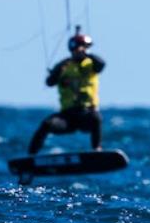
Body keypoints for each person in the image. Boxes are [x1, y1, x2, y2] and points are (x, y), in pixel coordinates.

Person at [28, 27, 106, 155]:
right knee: (47, 124)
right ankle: (31, 156)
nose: (79, 51)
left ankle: (97, 150)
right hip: (67, 117)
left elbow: (102, 64)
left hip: (86, 114)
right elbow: (49, 82)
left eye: (83, 47)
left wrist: (86, 55)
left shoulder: (91, 63)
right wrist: (58, 70)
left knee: (96, 118)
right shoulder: (64, 66)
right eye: (77, 48)